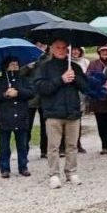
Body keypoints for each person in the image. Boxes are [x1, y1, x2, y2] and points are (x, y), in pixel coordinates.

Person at [33, 39, 90, 189]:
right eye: (58, 47)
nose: (61, 50)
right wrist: (61, 79)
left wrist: (75, 78)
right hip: (53, 111)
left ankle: (71, 172)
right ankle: (54, 174)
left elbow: (86, 87)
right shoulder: (44, 67)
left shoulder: (74, 66)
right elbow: (41, 88)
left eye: (64, 48)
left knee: (72, 145)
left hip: (72, 111)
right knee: (53, 146)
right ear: (52, 49)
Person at [0, 56, 35, 178]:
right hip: (4, 117)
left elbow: (31, 93)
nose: (15, 67)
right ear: (6, 66)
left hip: (21, 116)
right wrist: (5, 94)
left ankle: (23, 167)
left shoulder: (23, 80)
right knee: (4, 146)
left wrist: (18, 92)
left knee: (22, 144)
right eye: (12, 65)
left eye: (16, 65)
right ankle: (4, 169)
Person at [87, 44, 107, 156]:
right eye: (102, 51)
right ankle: (104, 145)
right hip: (98, 98)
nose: (105, 53)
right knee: (101, 124)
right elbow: (88, 77)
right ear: (99, 52)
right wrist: (96, 81)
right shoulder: (93, 64)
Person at [69, 46, 89, 154]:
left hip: (82, 92)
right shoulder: (67, 62)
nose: (75, 52)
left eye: (77, 50)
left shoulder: (85, 62)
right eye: (73, 49)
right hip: (71, 92)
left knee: (78, 119)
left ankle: (77, 143)